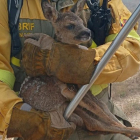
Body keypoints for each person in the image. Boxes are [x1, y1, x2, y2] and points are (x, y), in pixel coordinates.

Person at [0, 0, 140, 140]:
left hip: (101, 122)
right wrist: (17, 116)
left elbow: (133, 48)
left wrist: (86, 64)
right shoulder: (8, 5)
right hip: (45, 126)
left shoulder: (103, 2)